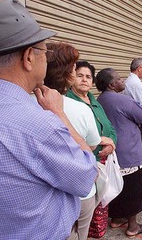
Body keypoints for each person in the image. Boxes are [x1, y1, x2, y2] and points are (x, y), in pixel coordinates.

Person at [0, 0, 98, 240]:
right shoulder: (39, 123)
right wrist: (59, 114)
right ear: (29, 57)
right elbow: (86, 176)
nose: (46, 58)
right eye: (44, 51)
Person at [44, 42, 106, 240]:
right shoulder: (80, 109)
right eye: (75, 69)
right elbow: (93, 145)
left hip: (47, 192)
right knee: (80, 231)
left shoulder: (27, 104)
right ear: (68, 74)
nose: (81, 76)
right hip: (80, 190)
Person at [66, 60, 117, 239]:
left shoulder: (94, 101)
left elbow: (110, 128)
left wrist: (111, 144)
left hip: (101, 162)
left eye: (88, 77)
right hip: (82, 164)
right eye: (80, 75)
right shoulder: (67, 102)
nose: (84, 80)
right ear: (72, 78)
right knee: (80, 214)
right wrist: (101, 141)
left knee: (99, 205)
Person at [96, 68, 142, 238]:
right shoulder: (123, 100)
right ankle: (133, 226)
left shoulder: (99, 100)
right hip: (129, 153)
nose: (123, 81)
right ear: (112, 85)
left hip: (112, 153)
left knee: (117, 187)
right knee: (133, 190)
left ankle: (117, 219)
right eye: (119, 79)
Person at [123, 58, 142, 191]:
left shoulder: (132, 81)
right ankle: (141, 177)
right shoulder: (135, 83)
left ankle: (141, 176)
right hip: (141, 120)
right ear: (139, 68)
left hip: (135, 119)